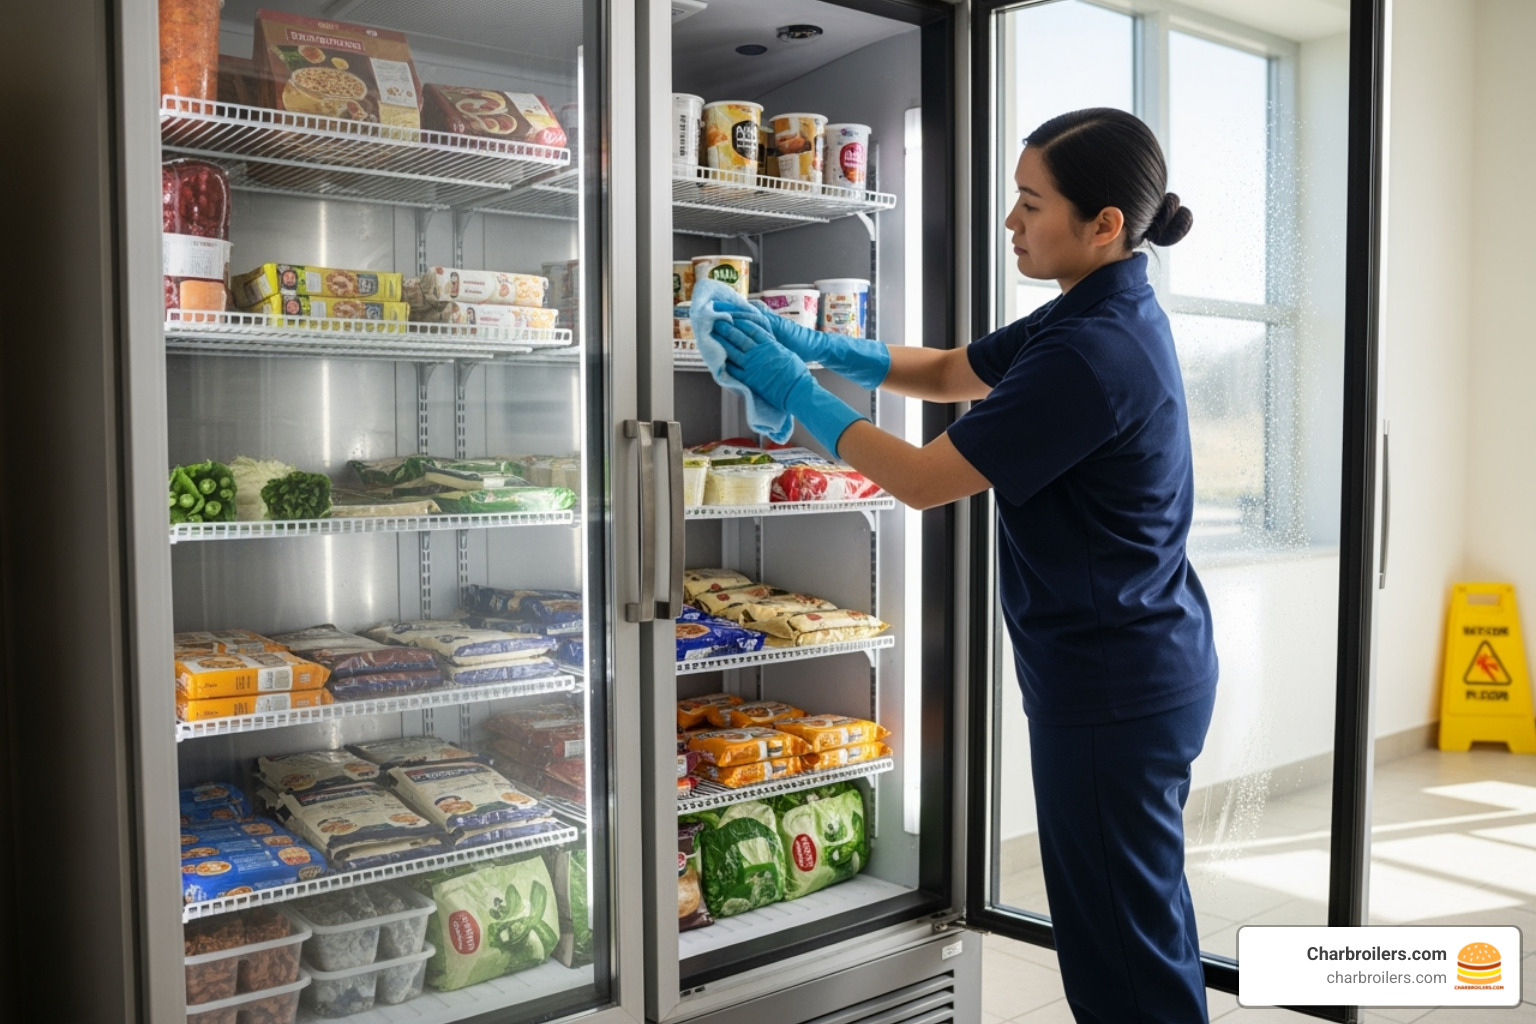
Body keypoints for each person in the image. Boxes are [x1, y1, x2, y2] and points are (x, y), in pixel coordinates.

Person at [706, 107, 1219, 1024]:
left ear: (1105, 224)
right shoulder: (1095, 310)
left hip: (1113, 685)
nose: (1012, 222)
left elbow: (923, 479)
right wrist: (820, 347)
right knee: (1136, 918)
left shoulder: (1093, 353)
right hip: (1137, 663)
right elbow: (950, 369)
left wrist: (795, 393)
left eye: (1031, 203)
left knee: (1120, 951)